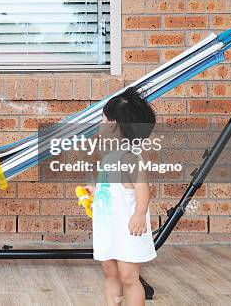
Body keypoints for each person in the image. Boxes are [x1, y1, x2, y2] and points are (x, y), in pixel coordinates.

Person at [84, 88, 157, 306]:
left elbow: (142, 187)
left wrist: (140, 213)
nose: (100, 124)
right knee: (110, 272)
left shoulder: (130, 158)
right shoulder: (111, 157)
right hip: (110, 227)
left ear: (114, 125)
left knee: (128, 277)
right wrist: (97, 191)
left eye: (103, 119)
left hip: (128, 228)